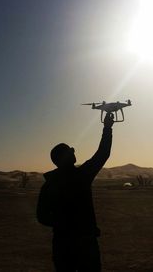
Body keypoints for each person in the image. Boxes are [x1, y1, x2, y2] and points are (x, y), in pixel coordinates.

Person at [37, 112, 115, 272]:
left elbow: (42, 216)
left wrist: (60, 223)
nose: (74, 153)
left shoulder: (49, 184)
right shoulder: (82, 175)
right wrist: (107, 127)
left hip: (62, 244)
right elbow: (103, 153)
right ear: (65, 157)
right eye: (70, 152)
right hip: (84, 244)